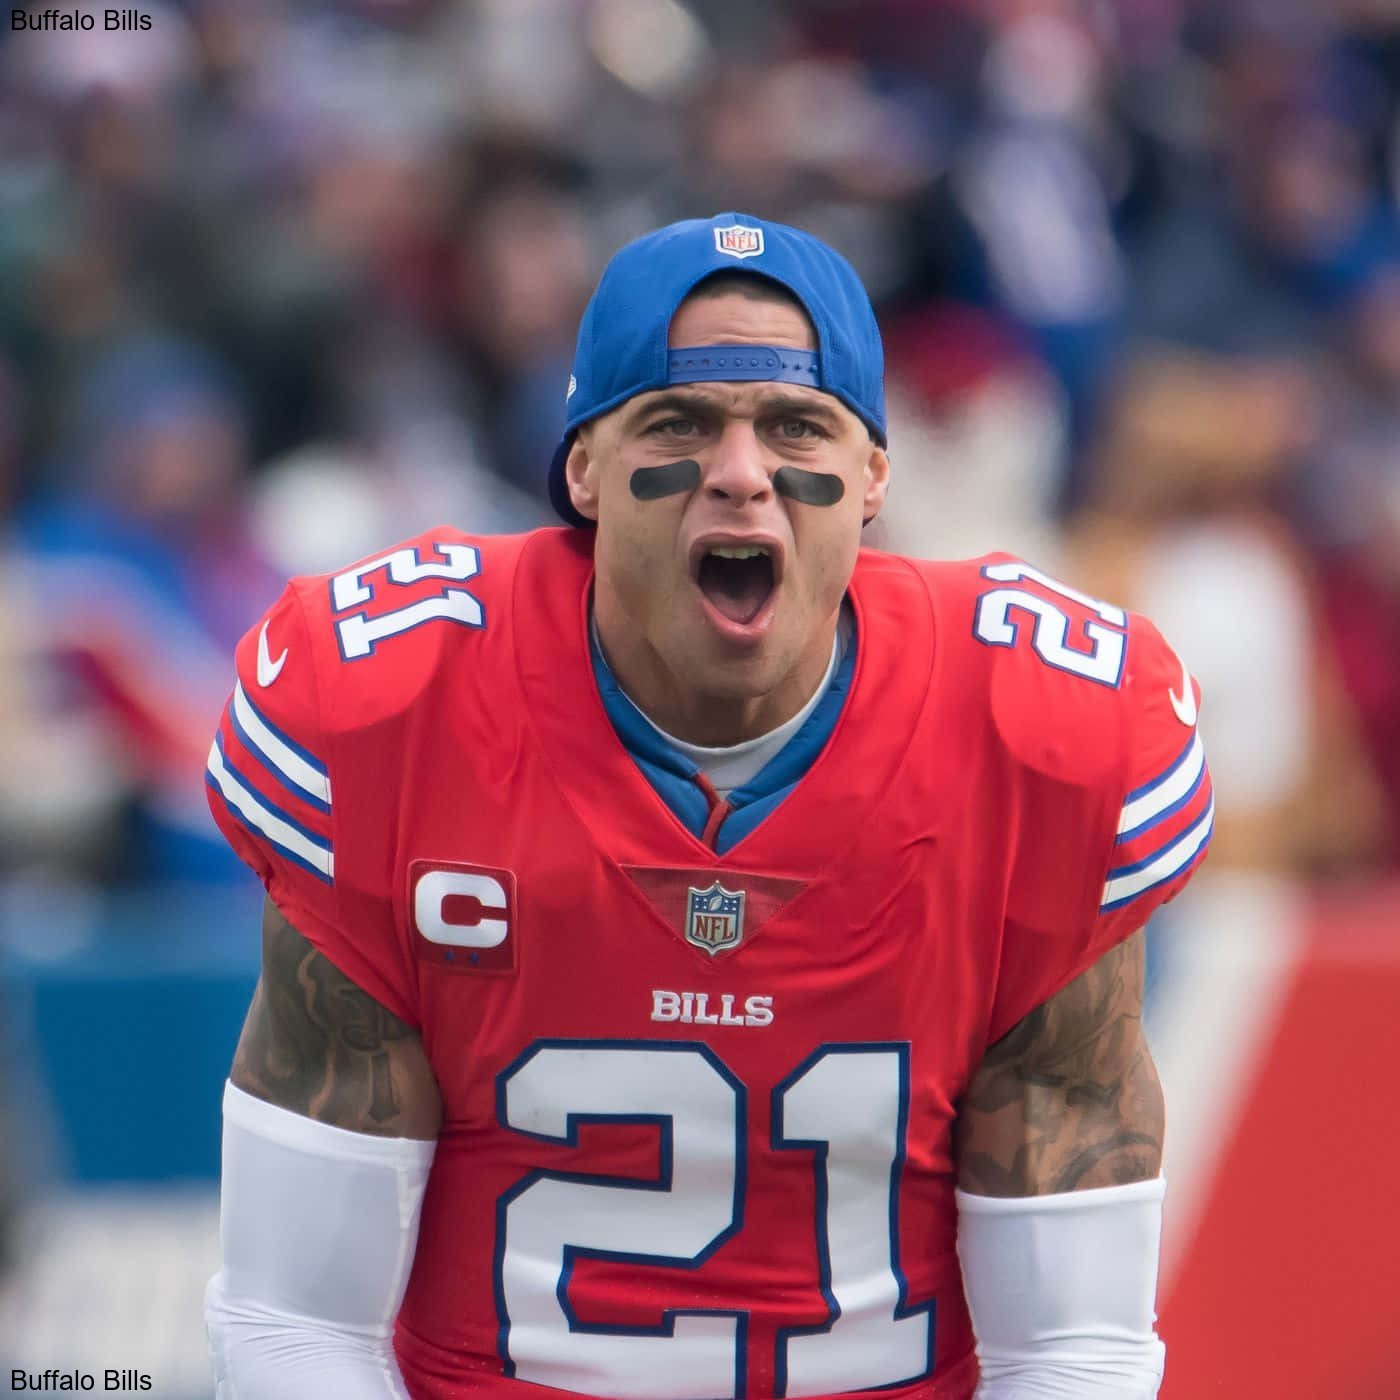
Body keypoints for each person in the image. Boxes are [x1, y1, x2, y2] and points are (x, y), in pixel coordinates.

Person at [202, 213, 1212, 1399]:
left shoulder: (1036, 736)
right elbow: (294, 1320)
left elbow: (1072, 1345)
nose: (740, 473)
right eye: (677, 422)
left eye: (796, 426)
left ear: (875, 476)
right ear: (580, 467)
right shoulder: (396, 709)